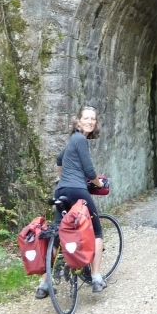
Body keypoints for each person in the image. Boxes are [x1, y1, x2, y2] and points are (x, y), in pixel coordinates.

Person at [35, 106, 107, 298]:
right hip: (77, 191)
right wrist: (98, 184)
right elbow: (89, 171)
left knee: (58, 234)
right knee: (97, 230)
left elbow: (59, 159)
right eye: (86, 118)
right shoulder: (80, 139)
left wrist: (62, 178)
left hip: (62, 190)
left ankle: (43, 285)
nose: (90, 121)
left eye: (93, 119)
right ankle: (97, 277)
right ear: (78, 121)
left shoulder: (72, 141)